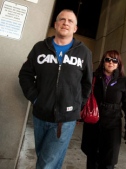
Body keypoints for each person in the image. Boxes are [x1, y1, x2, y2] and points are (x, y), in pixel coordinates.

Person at [18, 9, 92, 169]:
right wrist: (36, 98)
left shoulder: (84, 52)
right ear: (56, 24)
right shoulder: (39, 48)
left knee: (46, 164)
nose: (66, 23)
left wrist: (78, 105)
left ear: (75, 28)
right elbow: (25, 74)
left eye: (70, 21)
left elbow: (87, 83)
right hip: (40, 115)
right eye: (62, 19)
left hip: (65, 119)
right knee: (46, 158)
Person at [81, 50, 126, 169]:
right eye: (107, 59)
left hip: (113, 124)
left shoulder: (123, 81)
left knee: (109, 160)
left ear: (118, 63)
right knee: (92, 158)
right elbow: (83, 95)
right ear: (103, 62)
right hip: (93, 122)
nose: (111, 62)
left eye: (114, 60)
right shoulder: (94, 77)